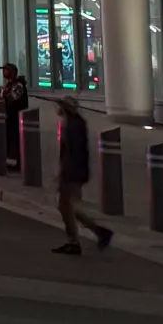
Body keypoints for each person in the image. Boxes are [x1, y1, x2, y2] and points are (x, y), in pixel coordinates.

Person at [53, 96, 115, 254]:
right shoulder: (74, 123)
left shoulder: (72, 126)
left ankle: (75, 240)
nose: (58, 109)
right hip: (75, 170)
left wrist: (65, 173)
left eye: (61, 106)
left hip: (73, 171)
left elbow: (74, 153)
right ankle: (98, 232)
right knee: (67, 205)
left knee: (64, 205)